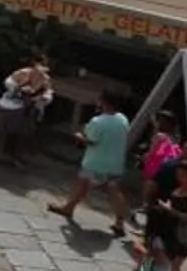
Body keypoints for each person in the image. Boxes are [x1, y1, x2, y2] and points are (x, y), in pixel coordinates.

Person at [50, 94, 131, 232]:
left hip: (96, 161)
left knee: (82, 183)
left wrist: (78, 136)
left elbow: (91, 141)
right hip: (115, 162)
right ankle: (120, 222)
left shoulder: (98, 121)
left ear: (104, 103)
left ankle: (68, 208)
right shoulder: (122, 119)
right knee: (114, 191)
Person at [0, 59, 53, 167]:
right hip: (11, 105)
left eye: (45, 66)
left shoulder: (45, 80)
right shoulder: (23, 73)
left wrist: (45, 97)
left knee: (21, 133)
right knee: (2, 130)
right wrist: (20, 89)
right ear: (35, 65)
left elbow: (48, 92)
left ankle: (15, 157)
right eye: (41, 65)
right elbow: (9, 83)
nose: (43, 69)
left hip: (29, 109)